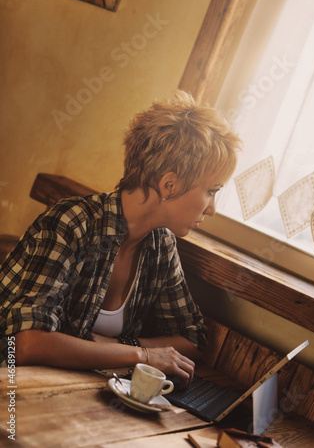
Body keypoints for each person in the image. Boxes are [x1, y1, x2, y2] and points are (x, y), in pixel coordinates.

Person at [0, 90, 241, 387]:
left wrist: (122, 344)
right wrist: (142, 355)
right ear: (169, 184)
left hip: (74, 394)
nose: (213, 209)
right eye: (212, 191)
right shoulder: (71, 223)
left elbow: (192, 338)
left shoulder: (160, 245)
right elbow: (28, 344)